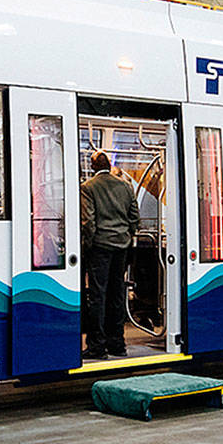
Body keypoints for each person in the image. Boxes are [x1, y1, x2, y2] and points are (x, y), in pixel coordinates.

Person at [80, 150, 140, 359]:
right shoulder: (125, 186)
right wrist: (126, 236)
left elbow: (88, 222)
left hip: (99, 248)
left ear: (93, 166)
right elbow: (134, 217)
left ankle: (97, 346)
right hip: (122, 247)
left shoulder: (88, 187)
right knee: (117, 294)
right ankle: (117, 344)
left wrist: (87, 246)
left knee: (97, 295)